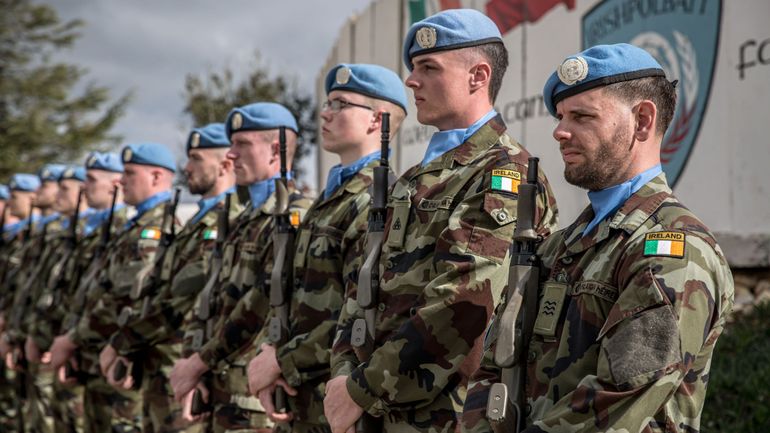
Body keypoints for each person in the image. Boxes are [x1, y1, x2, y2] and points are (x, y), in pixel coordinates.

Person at [462, 43, 735, 433]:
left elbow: (617, 396)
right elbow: (494, 367)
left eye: (582, 116)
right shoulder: (557, 247)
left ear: (642, 120)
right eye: (560, 116)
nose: (559, 131)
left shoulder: (675, 249)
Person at [324, 9, 558, 433]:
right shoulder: (418, 177)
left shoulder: (505, 175)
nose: (412, 81)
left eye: (429, 68)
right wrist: (343, 374)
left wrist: (360, 390)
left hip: (443, 416)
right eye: (413, 69)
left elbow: (464, 306)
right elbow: (362, 283)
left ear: (478, 76)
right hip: (376, 408)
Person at [245, 63, 407, 433]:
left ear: (376, 119)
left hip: (337, 402)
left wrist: (282, 361)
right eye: (327, 102)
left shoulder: (377, 202)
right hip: (300, 396)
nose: (324, 113)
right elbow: (297, 297)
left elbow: (361, 311)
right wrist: (273, 352)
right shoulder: (329, 199)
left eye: (340, 103)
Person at [168, 102, 311, 433]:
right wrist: (198, 367)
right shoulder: (244, 219)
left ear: (275, 149)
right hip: (221, 387)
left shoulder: (295, 216)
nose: (230, 155)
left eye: (242, 144)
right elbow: (213, 300)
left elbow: (259, 304)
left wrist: (198, 362)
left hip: (253, 397)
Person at [101, 123, 240, 433]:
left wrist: (123, 341)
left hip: (185, 362)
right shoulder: (201, 220)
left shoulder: (228, 219)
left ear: (224, 165)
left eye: (195, 158)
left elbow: (183, 298)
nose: (186, 167)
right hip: (162, 362)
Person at [50, 142, 180, 433]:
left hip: (124, 354)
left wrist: (72, 338)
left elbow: (125, 297)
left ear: (157, 177)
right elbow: (92, 291)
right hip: (101, 353)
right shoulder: (133, 226)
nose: (122, 181)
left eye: (130, 173)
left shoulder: (156, 226)